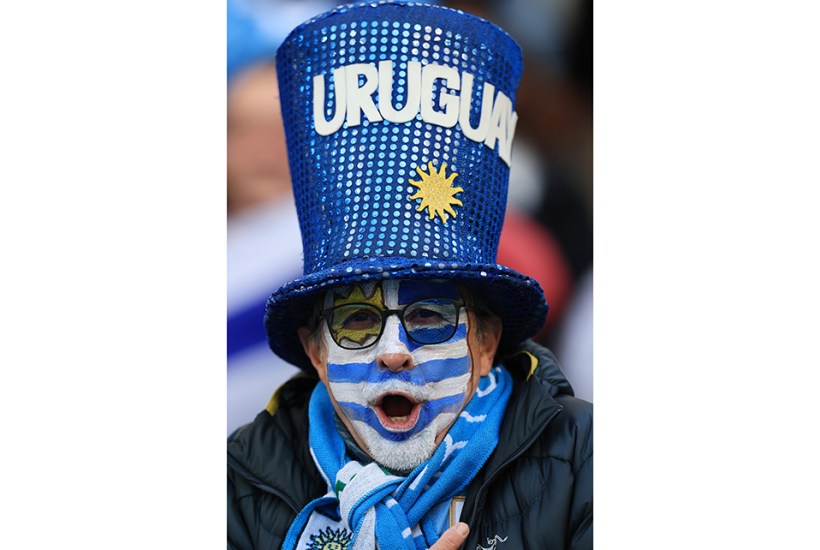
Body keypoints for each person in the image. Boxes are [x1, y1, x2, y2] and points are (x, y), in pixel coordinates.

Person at [227, 3, 592, 549]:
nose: (394, 351)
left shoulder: (585, 458)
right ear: (315, 351)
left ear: (486, 341)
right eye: (356, 321)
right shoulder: (239, 486)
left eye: (428, 316)